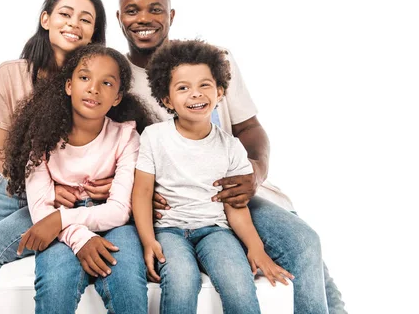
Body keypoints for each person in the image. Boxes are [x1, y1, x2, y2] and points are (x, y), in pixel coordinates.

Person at [116, 0, 347, 313]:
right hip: (173, 211)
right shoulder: (115, 77)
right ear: (120, 17)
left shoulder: (214, 61)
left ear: (171, 15)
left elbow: (250, 127)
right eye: (132, 11)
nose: (144, 19)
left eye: (155, 9)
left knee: (304, 242)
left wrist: (255, 173)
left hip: (229, 197)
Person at [132, 39, 329, 314]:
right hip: (169, 232)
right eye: (183, 88)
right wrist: (147, 239)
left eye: (205, 86)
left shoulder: (231, 147)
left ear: (220, 92)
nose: (196, 94)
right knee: (180, 280)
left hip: (216, 231)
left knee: (238, 281)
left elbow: (235, 204)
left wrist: (255, 247)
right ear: (167, 100)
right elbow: (141, 192)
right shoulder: (154, 137)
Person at [0, 0, 109, 314]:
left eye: (86, 20)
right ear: (46, 19)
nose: (74, 23)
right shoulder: (11, 73)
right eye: (65, 14)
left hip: (71, 199)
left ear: (93, 35)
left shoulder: (94, 81)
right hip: (12, 196)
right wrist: (47, 186)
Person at [2, 44, 152, 314]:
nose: (94, 88)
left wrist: (61, 219)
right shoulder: (41, 139)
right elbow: (41, 211)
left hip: (110, 222)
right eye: (84, 78)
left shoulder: (127, 137)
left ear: (118, 97)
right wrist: (79, 237)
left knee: (128, 281)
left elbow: (119, 210)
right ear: (69, 85)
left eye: (106, 83)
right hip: (61, 228)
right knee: (55, 283)